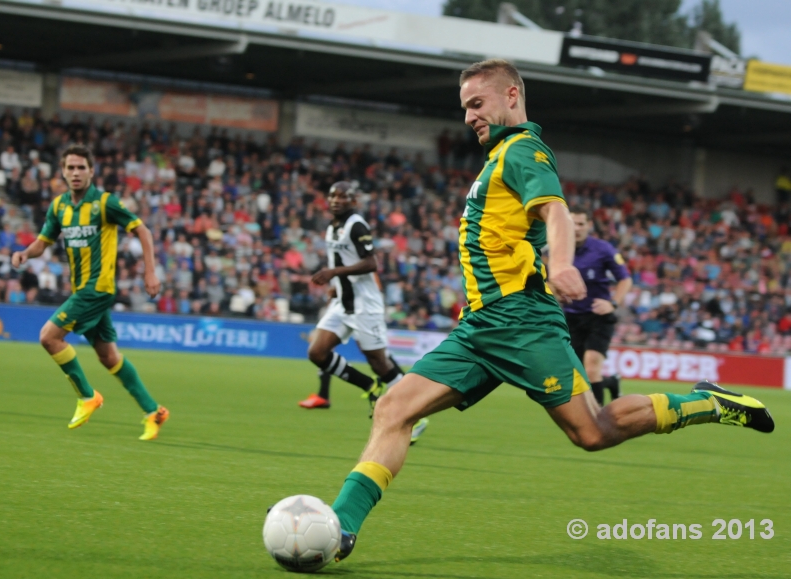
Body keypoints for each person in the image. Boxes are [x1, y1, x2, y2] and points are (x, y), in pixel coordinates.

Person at [323, 59, 774, 562]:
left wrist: (561, 263)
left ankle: (707, 403)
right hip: (480, 327)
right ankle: (339, 524)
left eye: (478, 103)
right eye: (465, 107)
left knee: (594, 432)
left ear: (511, 96)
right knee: (393, 408)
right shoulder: (497, 158)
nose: (470, 116)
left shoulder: (523, 149)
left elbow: (555, 211)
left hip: (522, 322)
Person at [11, 144, 169, 441]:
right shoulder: (59, 207)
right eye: (70, 167)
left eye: (81, 167)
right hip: (83, 289)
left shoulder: (105, 203)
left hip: (98, 289)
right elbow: (42, 242)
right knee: (109, 357)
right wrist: (25, 253)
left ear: (91, 171)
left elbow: (143, 231)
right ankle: (153, 411)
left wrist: (150, 271)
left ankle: (87, 396)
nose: (75, 172)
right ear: (62, 171)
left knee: (48, 336)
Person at [298, 181, 429, 444]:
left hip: (365, 305)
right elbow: (343, 260)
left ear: (353, 201)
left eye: (343, 197)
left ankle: (418, 414)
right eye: (333, 195)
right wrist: (337, 286)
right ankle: (370, 388)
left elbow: (371, 263)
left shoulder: (356, 225)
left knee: (380, 363)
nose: (336, 200)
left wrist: (334, 274)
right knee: (316, 352)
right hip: (343, 302)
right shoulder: (333, 226)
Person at [563, 207, 632, 405]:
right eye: (572, 223)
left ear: (589, 225)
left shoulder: (603, 249)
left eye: (581, 224)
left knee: (592, 368)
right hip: (571, 317)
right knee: (580, 372)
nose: (576, 228)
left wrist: (613, 303)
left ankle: (597, 418)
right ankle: (611, 383)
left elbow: (625, 280)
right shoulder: (558, 250)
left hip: (598, 316)